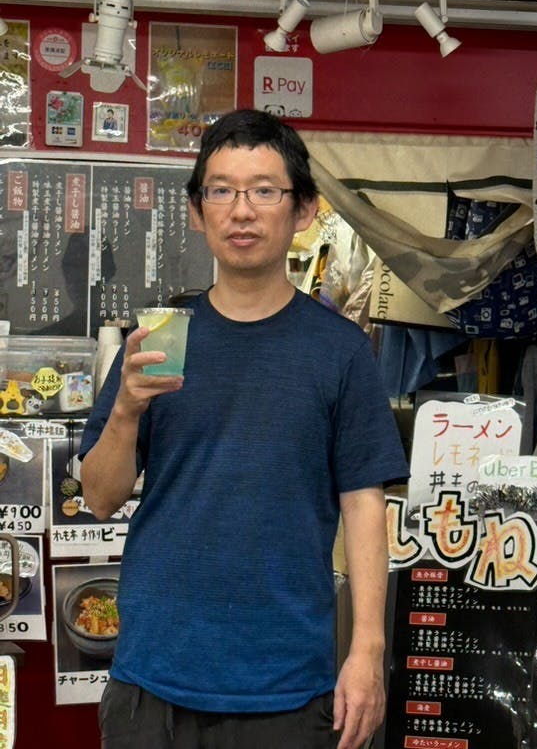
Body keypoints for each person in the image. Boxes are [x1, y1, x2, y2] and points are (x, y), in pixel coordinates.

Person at [79, 108, 409, 749]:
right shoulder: (159, 340)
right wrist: (123, 411)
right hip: (153, 678)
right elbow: (98, 497)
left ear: (304, 209)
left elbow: (364, 502)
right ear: (197, 212)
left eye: (264, 191)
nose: (242, 211)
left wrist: (368, 651)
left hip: (287, 683)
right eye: (221, 191)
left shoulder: (340, 351)